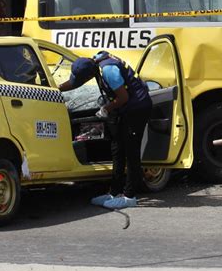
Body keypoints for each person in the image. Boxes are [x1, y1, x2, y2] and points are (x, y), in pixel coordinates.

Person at [59, 51, 152, 209]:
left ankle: (130, 197)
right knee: (117, 149)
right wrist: (56, 89)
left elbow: (123, 97)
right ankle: (114, 193)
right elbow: (75, 82)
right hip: (124, 109)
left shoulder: (109, 71)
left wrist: (106, 109)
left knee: (131, 152)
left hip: (137, 108)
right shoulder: (93, 63)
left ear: (90, 74)